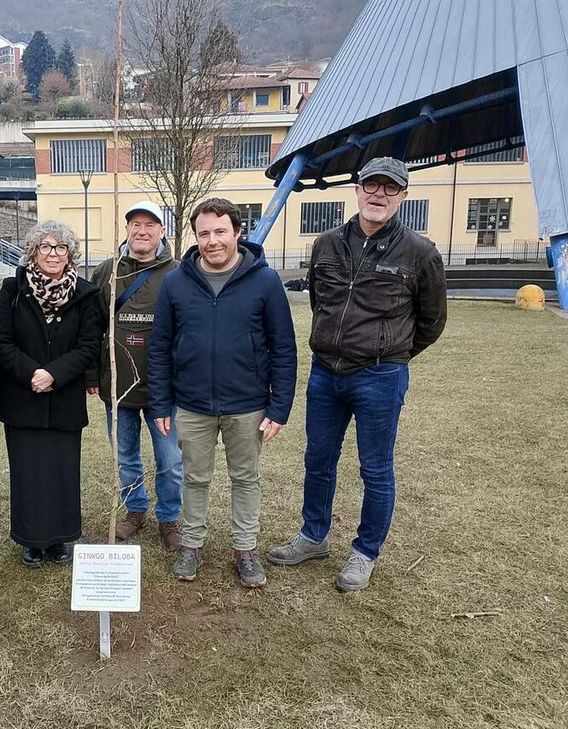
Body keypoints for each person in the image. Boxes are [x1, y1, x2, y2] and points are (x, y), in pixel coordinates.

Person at [267, 157, 447, 592]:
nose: (379, 194)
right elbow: (321, 303)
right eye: (372, 185)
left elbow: (432, 320)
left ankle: (365, 552)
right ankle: (313, 536)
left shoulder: (420, 253)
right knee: (318, 459)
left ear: (403, 196)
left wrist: (393, 353)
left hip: (380, 377)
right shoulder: (326, 244)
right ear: (358, 189)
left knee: (376, 469)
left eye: (390, 188)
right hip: (325, 373)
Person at [148, 197, 297, 588]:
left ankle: (245, 549)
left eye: (220, 232)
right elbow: (160, 347)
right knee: (194, 478)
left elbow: (283, 347)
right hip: (192, 404)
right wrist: (160, 403)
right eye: (204, 234)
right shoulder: (176, 282)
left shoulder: (265, 281)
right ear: (195, 237)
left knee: (245, 478)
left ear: (237, 232)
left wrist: (279, 408)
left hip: (247, 405)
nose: (212, 241)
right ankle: (192, 545)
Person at [0, 221, 102, 567]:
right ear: (33, 253)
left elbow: (89, 345)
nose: (53, 254)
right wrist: (30, 373)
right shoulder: (13, 289)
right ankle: (31, 540)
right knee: (28, 472)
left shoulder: (85, 294)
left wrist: (55, 373)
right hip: (23, 399)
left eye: (61, 247)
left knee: (62, 471)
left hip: (64, 399)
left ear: (70, 254)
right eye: (46, 247)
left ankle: (60, 538)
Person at [86, 201, 183, 550]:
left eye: (150, 225)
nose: (142, 231)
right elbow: (91, 325)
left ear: (162, 231)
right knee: (125, 455)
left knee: (170, 459)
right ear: (127, 229)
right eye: (135, 224)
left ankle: (170, 517)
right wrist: (91, 374)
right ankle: (136, 510)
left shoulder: (178, 273)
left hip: (163, 389)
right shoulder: (107, 272)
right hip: (117, 384)